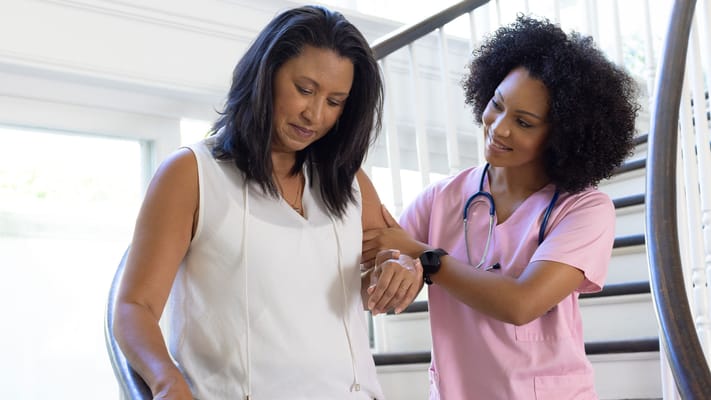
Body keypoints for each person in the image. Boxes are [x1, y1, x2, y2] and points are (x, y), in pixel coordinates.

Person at [113, 5, 422, 399]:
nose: (314, 114)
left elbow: (375, 274)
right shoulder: (192, 174)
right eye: (305, 89)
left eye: (335, 101)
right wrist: (166, 380)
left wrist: (400, 271)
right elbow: (134, 306)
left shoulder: (350, 182)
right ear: (265, 74)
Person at [362, 15, 639, 399]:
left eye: (524, 122)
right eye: (497, 104)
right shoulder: (441, 198)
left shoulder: (584, 209)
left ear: (561, 134)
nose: (499, 127)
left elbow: (522, 303)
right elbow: (386, 259)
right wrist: (396, 267)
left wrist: (424, 257)